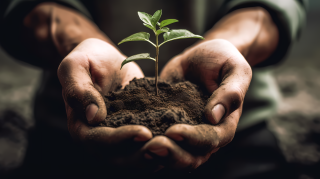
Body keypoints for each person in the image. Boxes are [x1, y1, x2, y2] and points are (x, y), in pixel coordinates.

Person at [0, 0, 307, 178]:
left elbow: (278, 6)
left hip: (240, 132)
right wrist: (76, 43)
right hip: (69, 128)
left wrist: (231, 44)